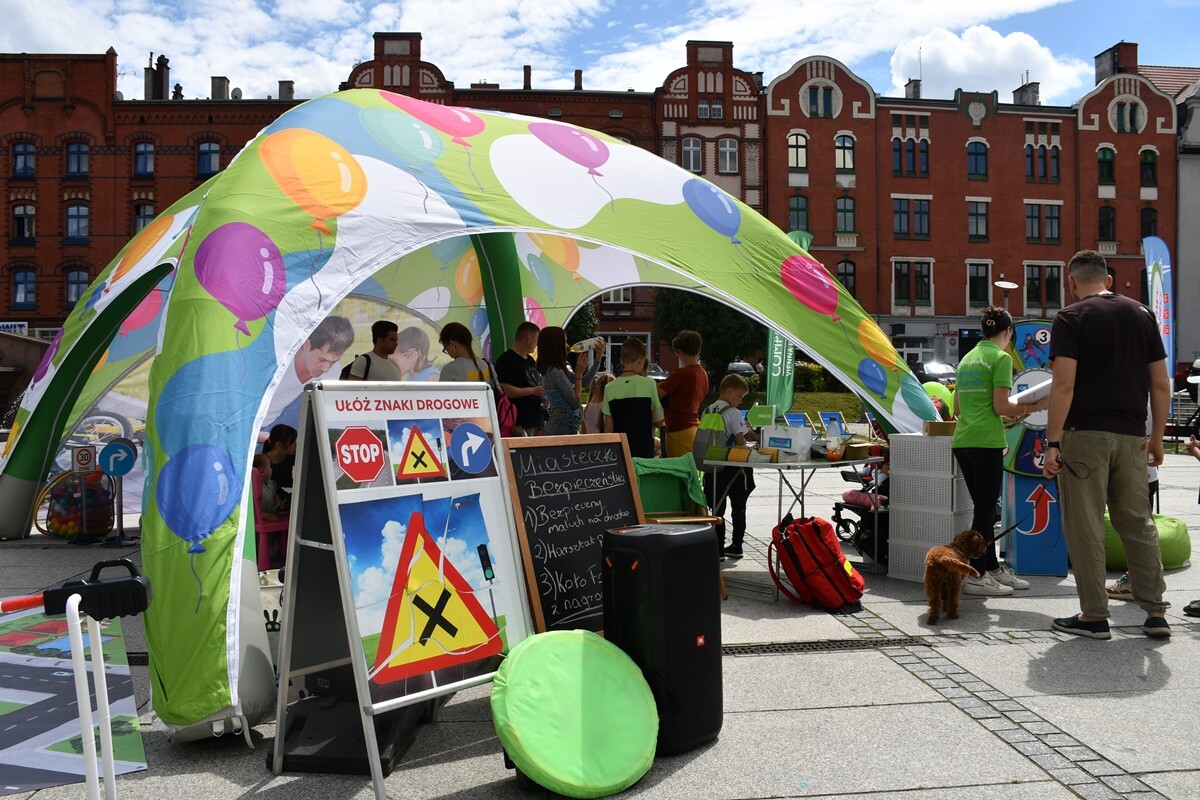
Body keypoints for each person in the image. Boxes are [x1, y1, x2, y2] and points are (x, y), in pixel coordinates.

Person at [1042, 249, 1171, 639]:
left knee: (1086, 525)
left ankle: (1095, 615)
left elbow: (1063, 385)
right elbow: (1161, 384)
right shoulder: (1143, 314)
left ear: (1071, 282)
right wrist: (1158, 437)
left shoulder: (1071, 317)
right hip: (1133, 435)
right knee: (1137, 522)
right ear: (1109, 280)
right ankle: (1155, 612)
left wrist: (1051, 443)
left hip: (1085, 436)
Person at [951, 306, 1048, 597]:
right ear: (1008, 333)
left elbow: (956, 408)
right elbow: (1002, 407)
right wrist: (1034, 407)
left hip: (964, 441)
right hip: (986, 443)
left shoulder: (968, 359)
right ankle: (976, 574)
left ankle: (992, 568)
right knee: (984, 512)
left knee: (984, 507)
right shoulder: (1000, 358)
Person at [262, 314, 354, 435]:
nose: (326, 368)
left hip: (283, 429)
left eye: (333, 361)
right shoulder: (278, 362)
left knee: (319, 396)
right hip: (252, 426)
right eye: (322, 360)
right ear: (306, 344)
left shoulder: (333, 370)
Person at [702, 373, 757, 559]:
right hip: (733, 467)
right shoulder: (733, 413)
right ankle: (736, 545)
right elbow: (741, 441)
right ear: (730, 391)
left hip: (713, 465)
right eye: (740, 396)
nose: (741, 401)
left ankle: (717, 549)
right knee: (739, 508)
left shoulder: (707, 410)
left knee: (717, 509)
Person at [602, 337, 664, 459]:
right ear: (642, 360)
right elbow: (659, 421)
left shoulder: (609, 388)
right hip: (644, 451)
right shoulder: (649, 384)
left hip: (620, 452)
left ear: (621, 360)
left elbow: (608, 428)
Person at [537, 327, 603, 436]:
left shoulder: (554, 369)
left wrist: (598, 358)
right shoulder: (555, 372)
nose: (567, 346)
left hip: (562, 421)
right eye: (564, 341)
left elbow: (585, 382)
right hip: (563, 422)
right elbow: (575, 403)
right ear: (556, 345)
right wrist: (578, 375)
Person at [657, 330, 709, 459]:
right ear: (699, 350)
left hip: (678, 430)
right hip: (694, 429)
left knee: (679, 473)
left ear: (679, 352)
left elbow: (655, 395)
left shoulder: (680, 374)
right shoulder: (703, 374)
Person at [496, 321, 547, 436]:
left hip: (536, 419)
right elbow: (505, 389)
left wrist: (542, 397)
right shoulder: (507, 360)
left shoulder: (530, 360)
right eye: (536, 339)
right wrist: (532, 391)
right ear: (528, 338)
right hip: (519, 420)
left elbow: (535, 383)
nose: (537, 344)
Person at [262, 424, 298, 510]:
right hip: (273, 498)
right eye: (292, 442)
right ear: (279, 445)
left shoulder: (293, 457)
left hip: (289, 493)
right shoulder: (263, 461)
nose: (296, 445)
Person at [252, 453, 282, 521]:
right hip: (261, 518)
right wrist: (266, 516)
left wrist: (279, 502)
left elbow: (274, 494)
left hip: (273, 513)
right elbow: (253, 510)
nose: (271, 469)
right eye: (270, 466)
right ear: (262, 471)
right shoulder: (255, 487)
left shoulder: (269, 482)